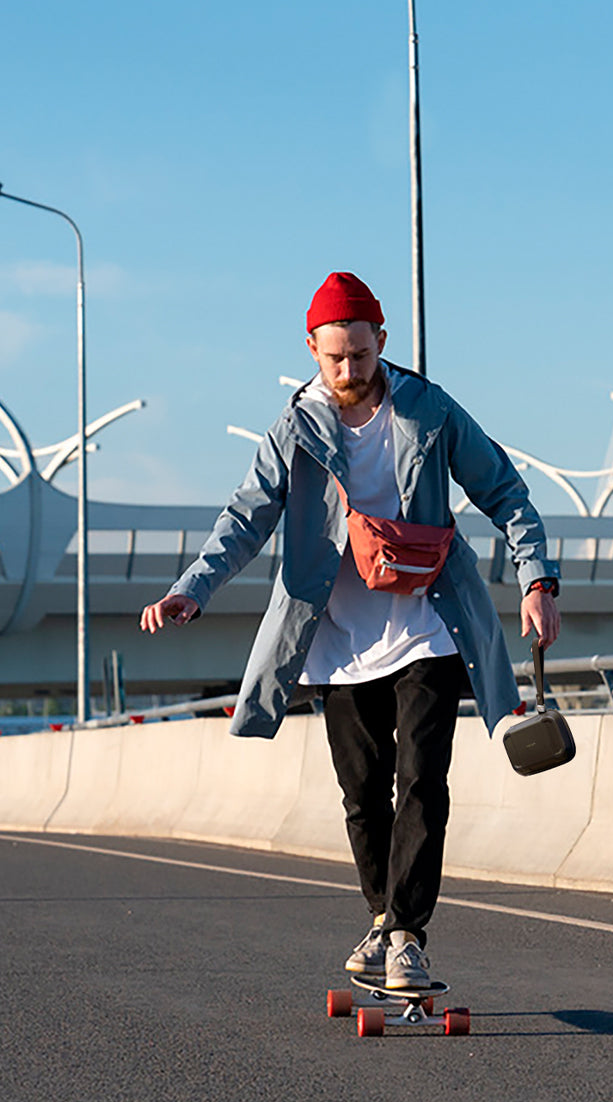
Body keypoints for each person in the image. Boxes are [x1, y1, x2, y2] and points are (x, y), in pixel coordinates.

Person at [141, 271, 560, 988]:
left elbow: (504, 491)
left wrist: (537, 580)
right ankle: (380, 917)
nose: (347, 371)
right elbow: (245, 518)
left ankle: (407, 935)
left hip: (429, 623)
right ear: (311, 349)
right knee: (363, 796)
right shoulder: (294, 428)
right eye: (334, 358)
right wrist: (192, 589)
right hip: (337, 638)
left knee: (423, 777)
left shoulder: (429, 411)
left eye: (360, 357)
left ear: (381, 344)